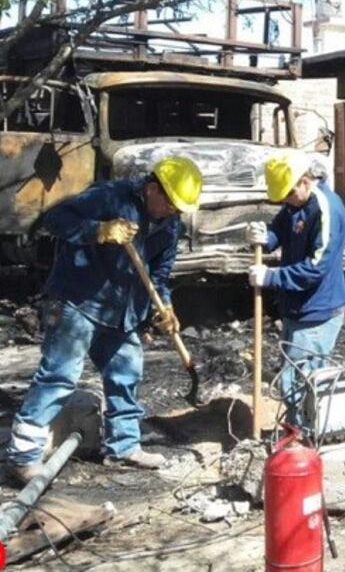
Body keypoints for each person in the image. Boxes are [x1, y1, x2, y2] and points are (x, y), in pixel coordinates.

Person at [4, 157, 203, 484]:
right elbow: (54, 219)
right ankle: (22, 457)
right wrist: (98, 230)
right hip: (77, 301)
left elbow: (160, 275)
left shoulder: (170, 225)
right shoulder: (110, 197)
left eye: (180, 208)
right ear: (152, 188)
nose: (173, 211)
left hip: (120, 313)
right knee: (59, 376)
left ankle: (123, 446)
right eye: (170, 203)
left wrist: (164, 307)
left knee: (126, 372)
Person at [245, 152, 345, 432]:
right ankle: (297, 433)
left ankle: (302, 439)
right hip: (297, 306)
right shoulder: (295, 202)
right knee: (293, 376)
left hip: (318, 310)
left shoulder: (327, 210)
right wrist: (265, 237)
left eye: (289, 194)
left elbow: (316, 268)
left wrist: (272, 276)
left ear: (305, 181)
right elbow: (281, 227)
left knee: (301, 380)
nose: (285, 201)